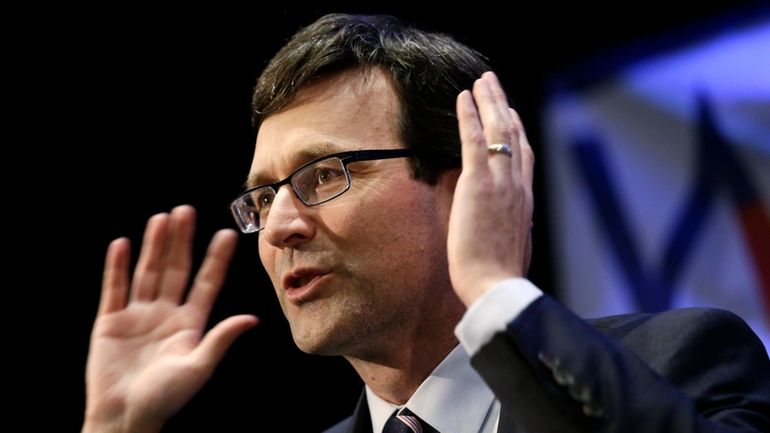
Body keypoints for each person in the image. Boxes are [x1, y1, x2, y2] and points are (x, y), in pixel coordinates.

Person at [81, 13, 770, 433]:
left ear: (466, 179)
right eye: (262, 197)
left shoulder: (680, 361)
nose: (281, 224)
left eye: (323, 175)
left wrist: (494, 290)